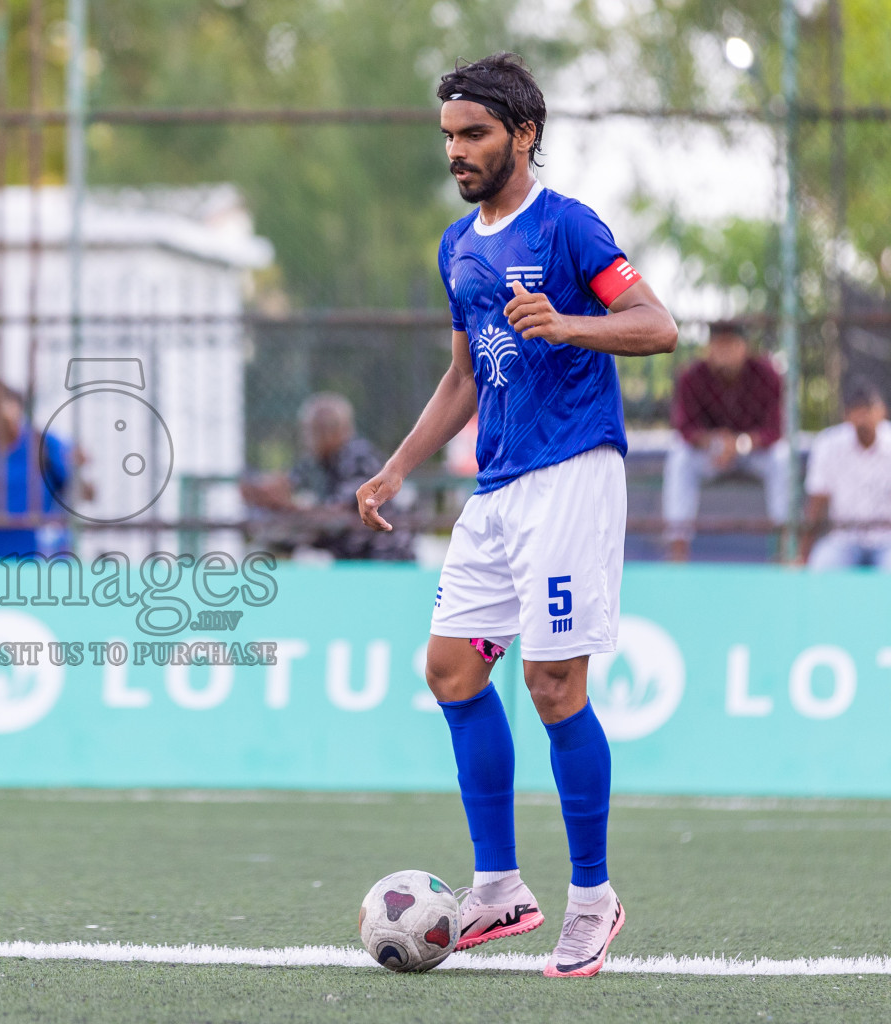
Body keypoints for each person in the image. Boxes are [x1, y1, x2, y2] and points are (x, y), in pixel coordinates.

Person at [356, 54, 677, 978]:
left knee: (552, 689)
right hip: (496, 488)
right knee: (452, 670)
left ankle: (592, 901)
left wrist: (570, 323)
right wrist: (393, 469)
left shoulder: (570, 228)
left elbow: (657, 324)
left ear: (524, 134)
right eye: (449, 135)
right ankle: (500, 888)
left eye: (475, 134)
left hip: (573, 472)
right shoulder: (460, 245)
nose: (457, 151)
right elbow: (463, 374)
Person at [662, 321, 788, 561]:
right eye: (719, 344)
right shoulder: (692, 376)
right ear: (709, 348)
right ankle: (677, 552)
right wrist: (713, 441)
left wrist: (739, 444)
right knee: (679, 458)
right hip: (712, 450)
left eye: (731, 343)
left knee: (781, 458)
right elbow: (684, 428)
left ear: (745, 347)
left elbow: (775, 430)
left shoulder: (767, 373)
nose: (725, 350)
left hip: (751, 449)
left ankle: (785, 547)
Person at [241, 392, 412, 560]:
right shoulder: (318, 460)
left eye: (316, 430)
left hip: (382, 557)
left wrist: (285, 505)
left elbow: (335, 516)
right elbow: (286, 483)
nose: (309, 438)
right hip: (348, 556)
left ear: (339, 430)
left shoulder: (358, 459)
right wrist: (261, 491)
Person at [0, 381, 83, 559]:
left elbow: (83, 492)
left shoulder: (45, 445)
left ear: (17, 406)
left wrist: (78, 468)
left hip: (43, 562)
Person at [801, 380, 891, 570]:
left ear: (882, 412)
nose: (862, 419)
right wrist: (803, 555)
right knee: (822, 567)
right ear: (846, 415)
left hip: (887, 540)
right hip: (844, 538)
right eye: (856, 411)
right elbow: (816, 502)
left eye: (868, 410)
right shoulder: (829, 444)